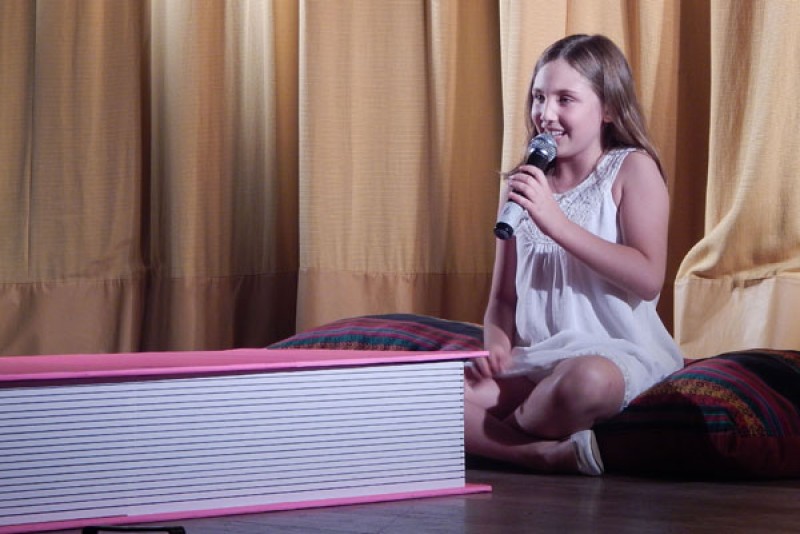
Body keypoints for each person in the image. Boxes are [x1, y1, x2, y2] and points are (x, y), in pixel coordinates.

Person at [466, 34, 684, 475]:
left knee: (582, 384)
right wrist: (496, 346)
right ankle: (537, 454)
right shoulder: (522, 185)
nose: (546, 114)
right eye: (539, 97)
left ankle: (498, 436)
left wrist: (557, 224)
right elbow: (503, 300)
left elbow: (647, 278)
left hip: (612, 355)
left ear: (608, 109)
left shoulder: (632, 169)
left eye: (565, 99)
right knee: (423, 399)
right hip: (536, 361)